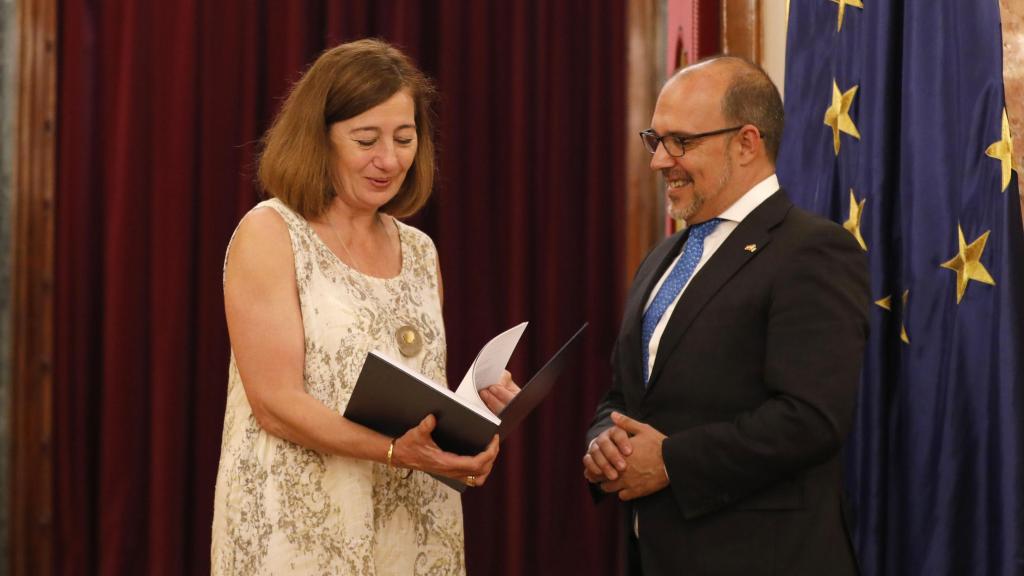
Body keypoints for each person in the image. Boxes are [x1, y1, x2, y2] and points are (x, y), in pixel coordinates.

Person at [211, 39, 520, 575]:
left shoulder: (420, 251)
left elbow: (407, 392)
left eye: (404, 138)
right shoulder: (271, 233)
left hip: (413, 527)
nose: (390, 160)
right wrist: (399, 451)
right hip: (300, 530)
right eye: (366, 140)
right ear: (318, 138)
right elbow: (275, 403)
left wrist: (470, 414)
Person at [583, 56, 869, 575]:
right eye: (655, 140)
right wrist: (606, 443)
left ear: (746, 143)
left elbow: (811, 418)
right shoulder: (664, 256)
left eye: (680, 142)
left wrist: (671, 462)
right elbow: (626, 396)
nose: (659, 161)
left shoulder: (812, 250)